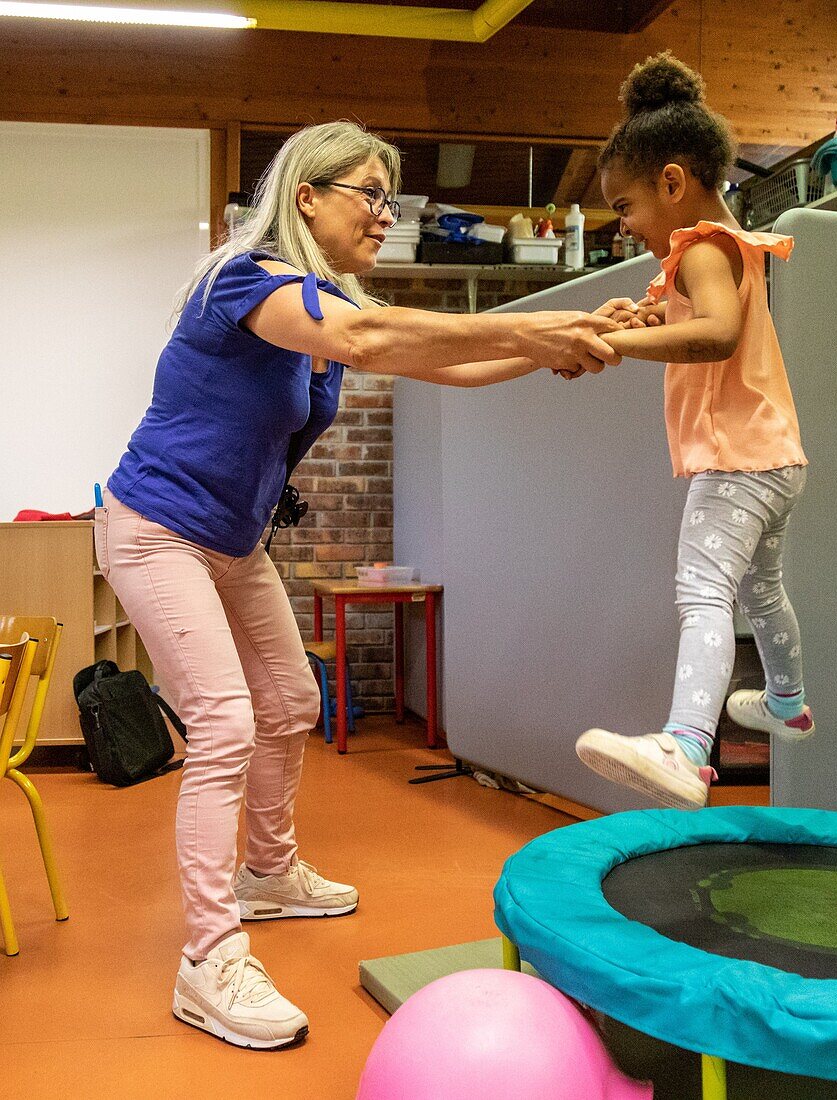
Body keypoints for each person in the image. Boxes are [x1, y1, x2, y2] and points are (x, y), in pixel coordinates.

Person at [94, 120, 620, 1051]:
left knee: (293, 698)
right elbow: (375, 338)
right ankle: (208, 959)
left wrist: (549, 350)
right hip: (156, 529)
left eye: (391, 198)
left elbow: (438, 364)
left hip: (232, 542)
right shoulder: (245, 282)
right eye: (370, 193)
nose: (387, 213)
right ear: (308, 196)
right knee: (225, 719)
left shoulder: (326, 312)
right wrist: (538, 323)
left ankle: (268, 872)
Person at [575, 53, 814, 812]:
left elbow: (715, 335)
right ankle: (787, 702)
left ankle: (684, 745)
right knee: (762, 588)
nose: (625, 226)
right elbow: (704, 323)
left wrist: (617, 344)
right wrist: (644, 319)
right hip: (777, 458)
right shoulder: (721, 244)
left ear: (672, 183)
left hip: (739, 462)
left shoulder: (701, 249)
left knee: (703, 591)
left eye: (625, 207)